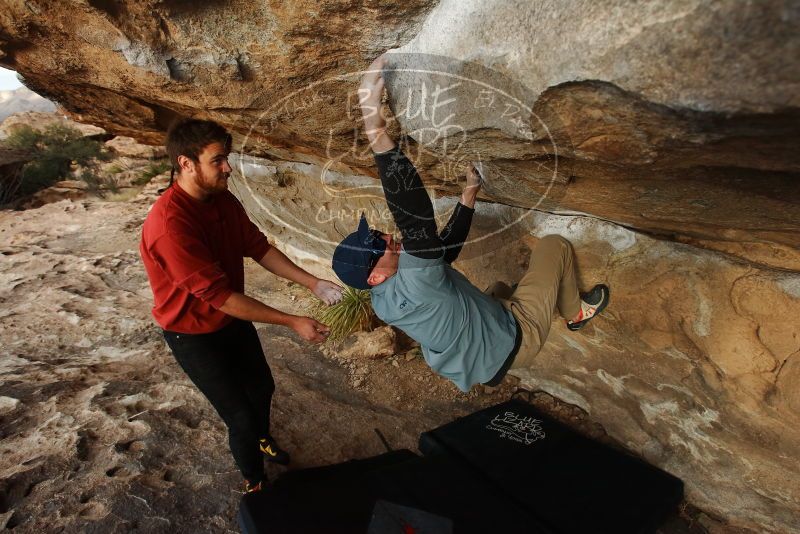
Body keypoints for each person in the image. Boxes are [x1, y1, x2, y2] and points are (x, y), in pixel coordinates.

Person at [331, 55, 609, 393]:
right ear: (375, 275)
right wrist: (374, 127)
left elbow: (440, 254)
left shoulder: (382, 298)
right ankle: (576, 312)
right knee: (555, 247)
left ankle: (513, 307)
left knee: (501, 289)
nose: (387, 236)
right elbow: (414, 214)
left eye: (376, 233)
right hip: (515, 342)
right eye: (378, 245)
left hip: (482, 356)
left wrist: (468, 197)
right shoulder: (416, 283)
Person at [139, 118, 343, 493]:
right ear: (186, 164)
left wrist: (312, 282)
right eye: (217, 160)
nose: (227, 167)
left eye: (226, 158)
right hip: (192, 333)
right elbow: (221, 297)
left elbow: (258, 247)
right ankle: (256, 481)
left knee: (261, 387)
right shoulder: (171, 226)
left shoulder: (222, 199)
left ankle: (263, 439)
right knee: (240, 417)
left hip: (230, 321)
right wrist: (291, 320)